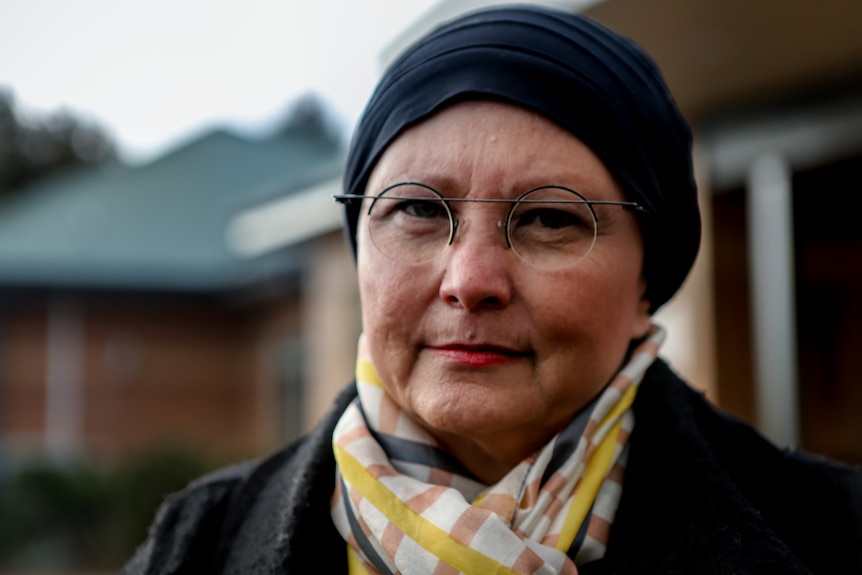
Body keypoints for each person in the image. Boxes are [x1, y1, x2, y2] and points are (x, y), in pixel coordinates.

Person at [123, 6, 862, 574]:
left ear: (647, 281)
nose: (470, 282)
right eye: (416, 210)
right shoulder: (197, 545)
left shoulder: (832, 535)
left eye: (548, 219)